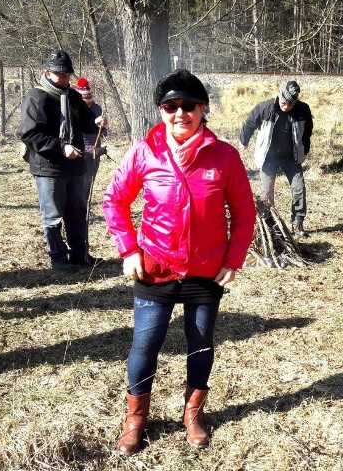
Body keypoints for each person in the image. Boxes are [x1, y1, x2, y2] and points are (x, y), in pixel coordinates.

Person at [102, 69, 256, 455]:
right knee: (145, 343)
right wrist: (129, 250)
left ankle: (193, 415)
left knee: (200, 343)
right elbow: (114, 201)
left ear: (203, 109)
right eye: (171, 106)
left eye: (189, 106)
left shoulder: (225, 157)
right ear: (161, 110)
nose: (180, 113)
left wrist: (234, 259)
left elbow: (244, 212)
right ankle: (136, 418)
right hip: (155, 267)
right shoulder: (144, 152)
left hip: (206, 271)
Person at [19, 50, 107, 272]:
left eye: (68, 75)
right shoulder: (36, 98)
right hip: (49, 167)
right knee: (54, 216)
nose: (66, 80)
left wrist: (96, 121)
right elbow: (30, 135)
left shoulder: (74, 96)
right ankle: (58, 258)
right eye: (62, 76)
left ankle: (80, 256)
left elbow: (86, 124)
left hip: (75, 165)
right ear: (47, 73)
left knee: (77, 212)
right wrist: (61, 147)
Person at [239, 80, 313, 238]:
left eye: (290, 105)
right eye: (284, 103)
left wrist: (304, 149)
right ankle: (270, 224)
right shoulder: (265, 108)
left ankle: (298, 224)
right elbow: (250, 122)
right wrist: (244, 140)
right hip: (269, 157)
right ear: (279, 96)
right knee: (267, 193)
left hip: (291, 157)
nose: (286, 107)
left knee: (299, 187)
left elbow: (307, 131)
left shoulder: (303, 110)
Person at [74, 76, 107, 215]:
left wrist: (103, 125)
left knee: (90, 180)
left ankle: (86, 208)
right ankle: (79, 209)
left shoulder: (97, 109)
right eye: (84, 103)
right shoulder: (74, 109)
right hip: (80, 150)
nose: (87, 105)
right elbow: (76, 132)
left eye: (89, 102)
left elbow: (103, 132)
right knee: (81, 181)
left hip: (95, 150)